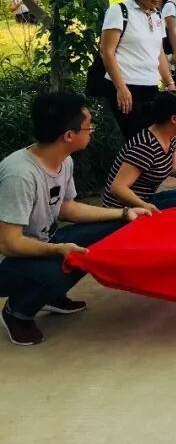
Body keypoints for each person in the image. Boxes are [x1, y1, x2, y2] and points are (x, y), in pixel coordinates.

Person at [0, 93, 151, 346]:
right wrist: (58, 249)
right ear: (69, 135)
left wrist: (125, 213)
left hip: (44, 241)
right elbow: (8, 243)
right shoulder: (20, 175)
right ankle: (18, 312)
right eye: (88, 126)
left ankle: (50, 295)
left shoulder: (64, 160)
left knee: (113, 229)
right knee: (62, 268)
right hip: (7, 262)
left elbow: (66, 208)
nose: (92, 129)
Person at [102, 92, 176, 213]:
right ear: (174, 119)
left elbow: (173, 167)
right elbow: (118, 188)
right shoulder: (145, 146)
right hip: (127, 210)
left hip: (148, 200)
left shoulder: (169, 137)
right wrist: (144, 205)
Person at [98, 0, 176, 139]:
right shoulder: (119, 11)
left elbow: (159, 52)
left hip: (150, 86)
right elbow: (106, 51)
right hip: (126, 86)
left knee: (153, 139)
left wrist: (170, 83)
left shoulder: (157, 15)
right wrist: (121, 87)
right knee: (135, 140)